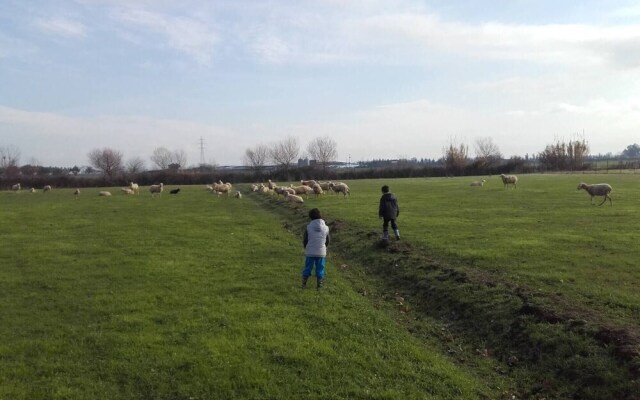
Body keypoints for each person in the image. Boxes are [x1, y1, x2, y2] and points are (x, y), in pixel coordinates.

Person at [302, 208, 330, 289]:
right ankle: (319, 285)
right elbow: (328, 240)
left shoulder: (308, 227)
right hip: (321, 252)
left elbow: (305, 239)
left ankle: (304, 284)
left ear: (310, 217)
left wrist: (306, 247)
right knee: (320, 268)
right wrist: (325, 247)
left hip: (310, 251)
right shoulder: (326, 228)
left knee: (308, 267)